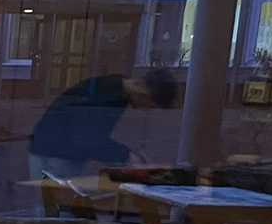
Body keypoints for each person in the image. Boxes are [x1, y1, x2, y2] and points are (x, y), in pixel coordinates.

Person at [28, 70, 177, 181]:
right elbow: (87, 139)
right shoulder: (109, 95)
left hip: (54, 150)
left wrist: (128, 154)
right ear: (143, 92)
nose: (145, 109)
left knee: (55, 206)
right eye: (149, 105)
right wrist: (127, 156)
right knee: (58, 207)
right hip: (55, 155)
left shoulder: (115, 90)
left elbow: (89, 136)